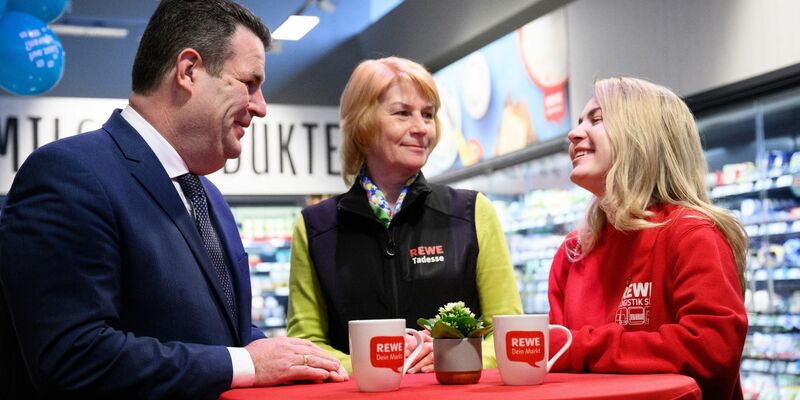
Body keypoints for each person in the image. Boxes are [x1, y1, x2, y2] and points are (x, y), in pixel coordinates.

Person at [0, 1, 345, 399]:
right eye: (249, 82)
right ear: (189, 70)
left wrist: (300, 360)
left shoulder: (208, 197)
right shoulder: (67, 174)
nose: (260, 106)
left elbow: (228, 334)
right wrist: (248, 364)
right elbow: (73, 355)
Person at [286, 56, 523, 373]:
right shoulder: (315, 227)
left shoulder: (472, 212)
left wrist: (454, 355)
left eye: (428, 115)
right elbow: (307, 344)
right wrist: (378, 364)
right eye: (402, 113)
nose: (421, 128)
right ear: (363, 123)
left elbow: (510, 336)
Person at [548, 77, 748, 399]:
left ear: (643, 137)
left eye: (597, 119)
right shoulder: (572, 252)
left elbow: (711, 351)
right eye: (579, 121)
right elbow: (561, 366)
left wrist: (577, 345)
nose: (573, 133)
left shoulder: (692, 234)